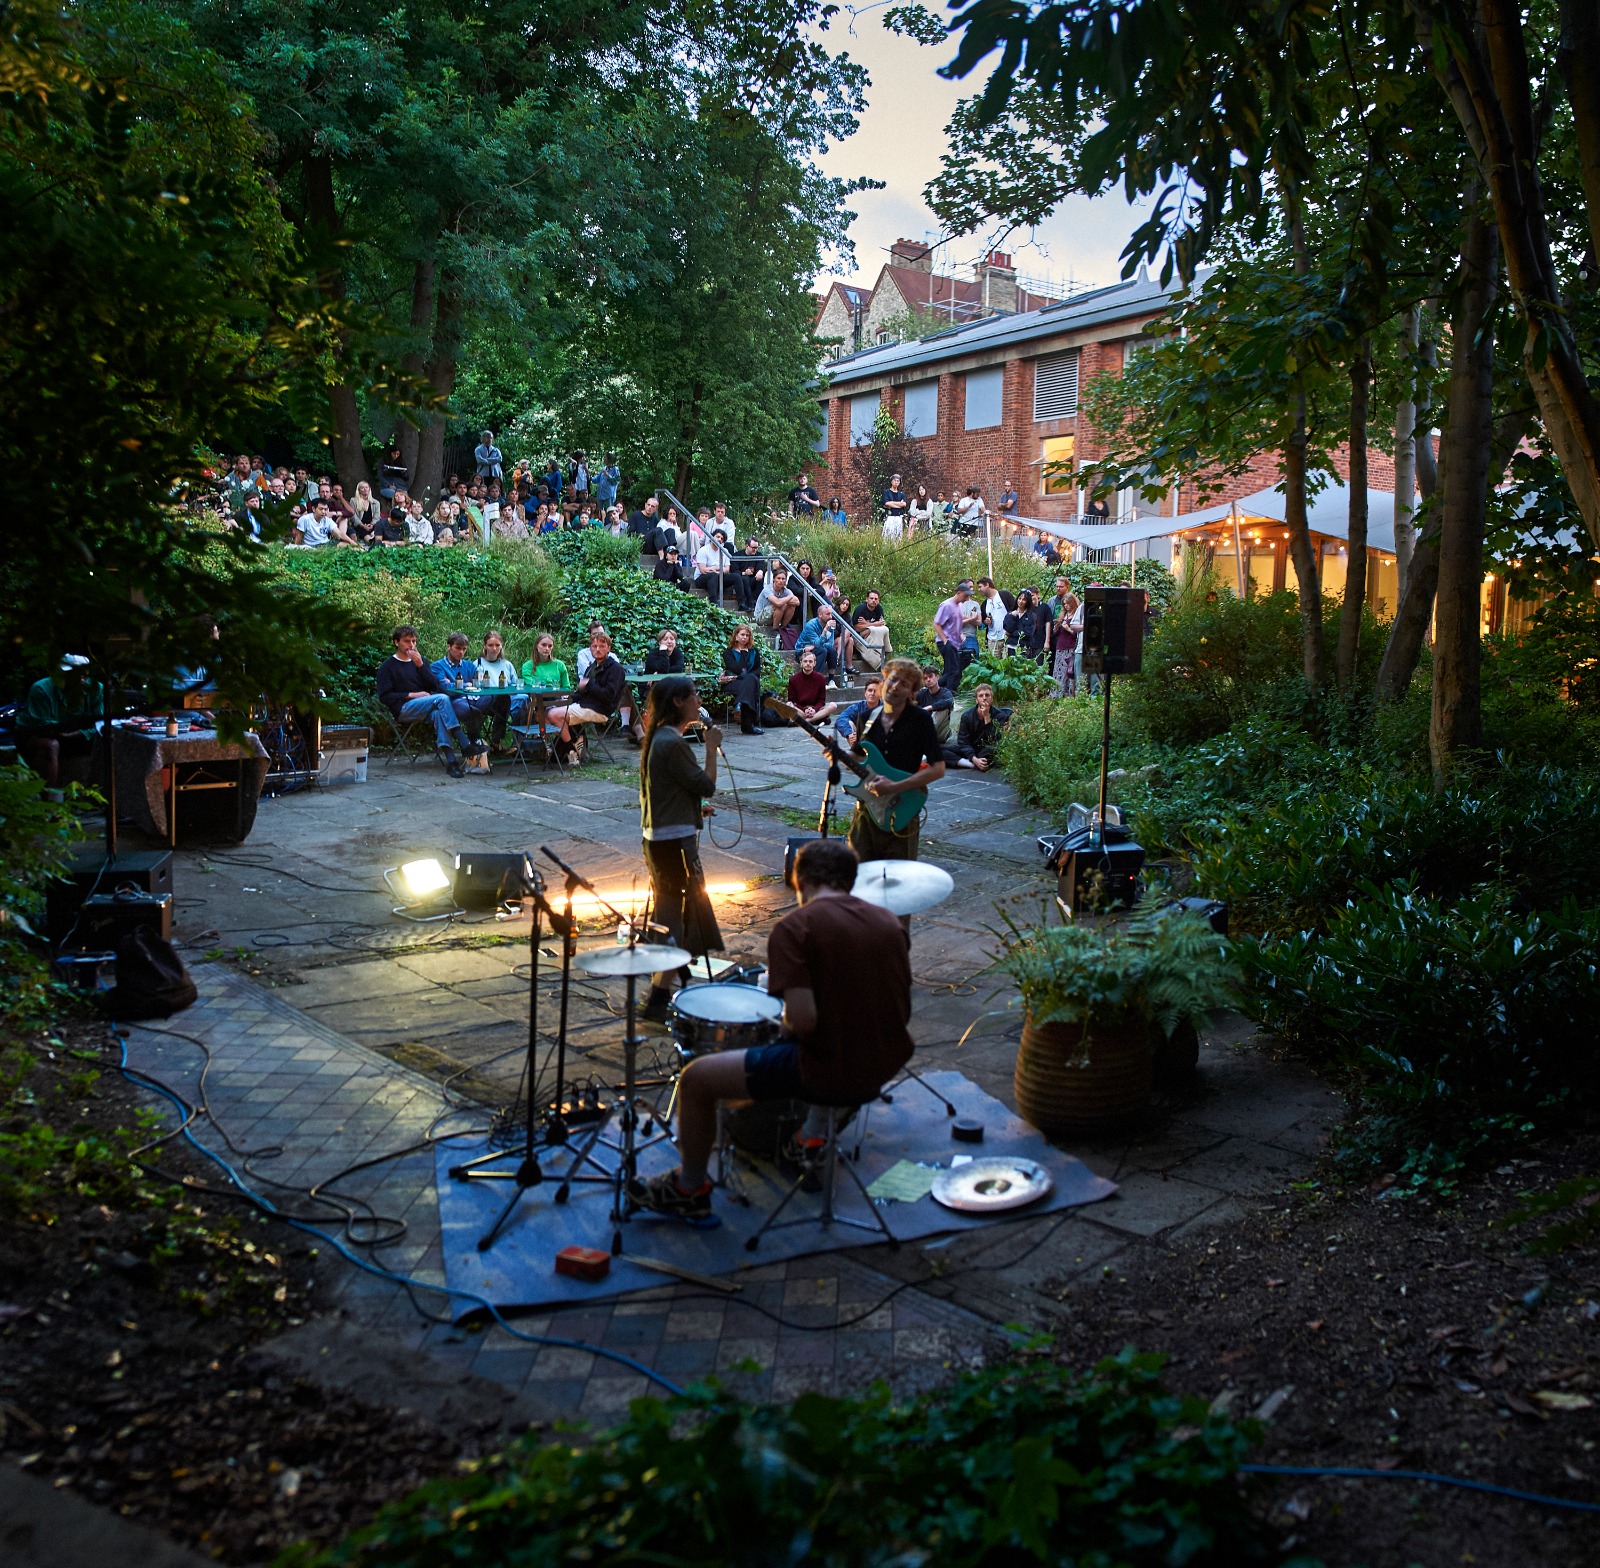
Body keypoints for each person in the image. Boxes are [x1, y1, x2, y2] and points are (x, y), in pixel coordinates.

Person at [628, 838, 912, 1222]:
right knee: (831, 1038)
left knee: (697, 1079)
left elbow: (805, 1022)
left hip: (832, 1070)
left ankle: (689, 1189)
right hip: (885, 1061)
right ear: (850, 881)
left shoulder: (796, 927)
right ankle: (806, 1139)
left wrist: (779, 1020)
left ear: (800, 881)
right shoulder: (888, 922)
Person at [637, 675, 724, 1024]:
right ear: (678, 701)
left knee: (682, 913)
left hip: (662, 838)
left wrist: (692, 807)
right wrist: (710, 746)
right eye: (694, 694)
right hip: (673, 845)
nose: (699, 698)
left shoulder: (660, 739)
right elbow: (707, 785)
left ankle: (678, 980)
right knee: (676, 916)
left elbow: (662, 790)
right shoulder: (673, 744)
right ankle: (659, 998)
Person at [847, 658, 945, 863]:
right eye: (892, 680)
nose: (895, 686)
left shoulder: (920, 720)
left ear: (912, 692)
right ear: (883, 682)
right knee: (859, 873)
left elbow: (937, 769)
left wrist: (895, 786)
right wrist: (837, 754)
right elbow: (858, 756)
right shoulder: (866, 718)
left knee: (898, 877)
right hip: (866, 811)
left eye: (904, 684)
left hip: (902, 811)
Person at [376, 626, 484, 777]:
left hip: (425, 707)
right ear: (396, 642)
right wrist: (412, 695)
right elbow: (384, 696)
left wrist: (421, 666)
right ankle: (464, 742)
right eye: (407, 641)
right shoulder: (388, 667)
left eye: (413, 641)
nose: (411, 645)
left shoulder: (420, 662)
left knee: (440, 714)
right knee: (442, 698)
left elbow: (435, 686)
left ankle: (451, 762)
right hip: (403, 709)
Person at [16, 658, 103, 786]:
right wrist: (64, 731)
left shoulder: (96, 690)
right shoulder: (41, 689)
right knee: (50, 746)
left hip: (78, 735)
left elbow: (101, 725)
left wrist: (79, 733)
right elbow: (39, 725)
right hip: (39, 734)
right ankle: (50, 799)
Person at [547, 628, 625, 758]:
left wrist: (589, 684)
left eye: (602, 646)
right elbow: (582, 694)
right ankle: (574, 742)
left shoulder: (615, 669)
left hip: (600, 709)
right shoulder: (592, 667)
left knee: (553, 714)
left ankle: (571, 751)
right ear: (590, 648)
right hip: (584, 705)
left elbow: (608, 696)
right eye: (594, 646)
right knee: (541, 715)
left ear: (608, 648)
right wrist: (566, 698)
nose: (598, 649)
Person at [430, 631, 507, 742]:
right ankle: (474, 745)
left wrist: (457, 685)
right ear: (449, 647)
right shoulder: (437, 666)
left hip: (475, 698)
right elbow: (445, 688)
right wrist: (466, 684)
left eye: (464, 649)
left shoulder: (469, 665)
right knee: (473, 712)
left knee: (503, 698)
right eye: (458, 648)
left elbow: (478, 684)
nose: (461, 652)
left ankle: (497, 741)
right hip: (455, 702)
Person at [944, 683, 1010, 771]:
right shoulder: (967, 716)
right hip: (970, 749)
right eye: (981, 696)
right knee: (939, 751)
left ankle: (972, 762)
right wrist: (974, 758)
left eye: (987, 695)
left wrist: (986, 717)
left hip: (986, 750)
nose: (984, 698)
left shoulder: (1000, 715)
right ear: (976, 700)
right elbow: (963, 742)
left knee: (992, 752)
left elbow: (994, 741)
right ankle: (971, 764)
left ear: (992, 698)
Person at [476, 630, 523, 746]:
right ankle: (496, 741)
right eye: (490, 645)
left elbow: (514, 684)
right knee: (503, 699)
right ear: (485, 646)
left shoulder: (507, 665)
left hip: (509, 700)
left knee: (526, 700)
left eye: (497, 645)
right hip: (486, 702)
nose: (494, 649)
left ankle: (519, 743)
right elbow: (475, 686)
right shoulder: (478, 664)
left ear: (501, 646)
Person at [720, 623, 765, 735]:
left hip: (750, 682)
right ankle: (749, 726)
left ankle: (739, 704)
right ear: (736, 636)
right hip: (733, 682)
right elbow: (737, 668)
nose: (745, 637)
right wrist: (743, 654)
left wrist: (746, 674)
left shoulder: (754, 651)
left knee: (750, 680)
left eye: (747, 635)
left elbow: (758, 670)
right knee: (749, 683)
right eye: (742, 634)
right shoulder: (728, 653)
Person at [933, 580, 972, 692]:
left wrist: (960, 634)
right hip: (946, 642)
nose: (966, 598)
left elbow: (955, 623)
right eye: (965, 595)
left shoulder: (959, 605)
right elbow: (936, 623)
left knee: (951, 670)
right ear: (959, 593)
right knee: (953, 671)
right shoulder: (946, 605)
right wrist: (945, 640)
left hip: (955, 642)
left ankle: (938, 690)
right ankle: (948, 693)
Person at [785, 647, 837, 723]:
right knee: (788, 704)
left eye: (810, 661)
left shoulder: (821, 679)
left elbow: (821, 701)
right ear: (801, 663)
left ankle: (807, 721)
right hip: (801, 710)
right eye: (805, 661)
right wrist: (805, 710)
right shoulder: (793, 679)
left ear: (814, 663)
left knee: (833, 705)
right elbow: (792, 701)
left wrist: (814, 710)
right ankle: (815, 719)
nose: (808, 664)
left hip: (816, 710)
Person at [1047, 582, 1080, 696]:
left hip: (1070, 646)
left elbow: (1077, 634)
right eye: (1064, 604)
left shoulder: (1076, 616)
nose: (1066, 606)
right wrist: (1057, 627)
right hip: (1060, 646)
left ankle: (1069, 694)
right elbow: (1056, 633)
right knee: (1059, 671)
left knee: (1069, 672)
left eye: (1067, 604)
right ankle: (1057, 693)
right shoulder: (1063, 615)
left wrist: (1068, 629)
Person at [794, 602, 840, 681]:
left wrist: (813, 646)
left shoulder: (830, 624)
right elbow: (818, 644)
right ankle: (815, 679)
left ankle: (831, 680)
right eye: (827, 614)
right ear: (820, 615)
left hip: (813, 648)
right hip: (802, 651)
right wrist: (825, 629)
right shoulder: (811, 625)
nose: (830, 617)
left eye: (831, 614)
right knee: (822, 650)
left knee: (832, 650)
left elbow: (830, 644)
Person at [835, 675, 882, 747]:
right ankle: (856, 752)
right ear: (865, 693)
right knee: (849, 723)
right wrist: (849, 734)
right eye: (870, 690)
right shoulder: (858, 707)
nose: (872, 693)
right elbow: (841, 719)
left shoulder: (885, 709)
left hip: (879, 742)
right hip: (860, 738)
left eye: (875, 691)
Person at [1007, 588, 1047, 662]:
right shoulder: (1010, 613)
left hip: (1024, 648)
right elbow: (1007, 629)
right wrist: (1012, 617)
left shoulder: (1032, 616)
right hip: (1011, 647)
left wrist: (1012, 633)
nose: (1021, 601)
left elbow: (1028, 633)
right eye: (1019, 598)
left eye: (1024, 600)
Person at [694, 529, 733, 602]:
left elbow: (727, 569)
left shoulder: (725, 551)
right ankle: (713, 601)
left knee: (736, 577)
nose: (719, 539)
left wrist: (713, 570)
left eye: (722, 538)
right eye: (717, 537)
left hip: (719, 576)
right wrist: (718, 568)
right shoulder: (703, 550)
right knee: (713, 575)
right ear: (712, 537)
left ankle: (742, 603)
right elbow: (703, 570)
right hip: (701, 578)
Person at [976, 577, 1009, 662]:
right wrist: (986, 622)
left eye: (980, 587)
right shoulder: (984, 604)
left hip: (1006, 637)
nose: (979, 590)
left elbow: (1015, 611)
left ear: (987, 585)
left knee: (1007, 665)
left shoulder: (1004, 595)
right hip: (992, 639)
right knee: (994, 666)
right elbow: (982, 625)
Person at [763, 565, 801, 635]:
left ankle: (783, 627)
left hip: (775, 615)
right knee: (781, 605)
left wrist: (787, 598)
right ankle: (775, 629)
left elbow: (797, 602)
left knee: (791, 605)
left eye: (783, 579)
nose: (781, 581)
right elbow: (778, 603)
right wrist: (790, 597)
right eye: (779, 578)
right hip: (762, 617)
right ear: (773, 579)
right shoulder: (767, 589)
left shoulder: (786, 590)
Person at [880, 472, 908, 540]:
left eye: (898, 481)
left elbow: (904, 504)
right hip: (889, 517)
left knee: (897, 538)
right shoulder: (886, 492)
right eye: (895, 480)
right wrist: (899, 505)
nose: (896, 482)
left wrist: (892, 503)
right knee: (887, 537)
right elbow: (886, 503)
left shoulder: (901, 494)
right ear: (891, 481)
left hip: (898, 517)